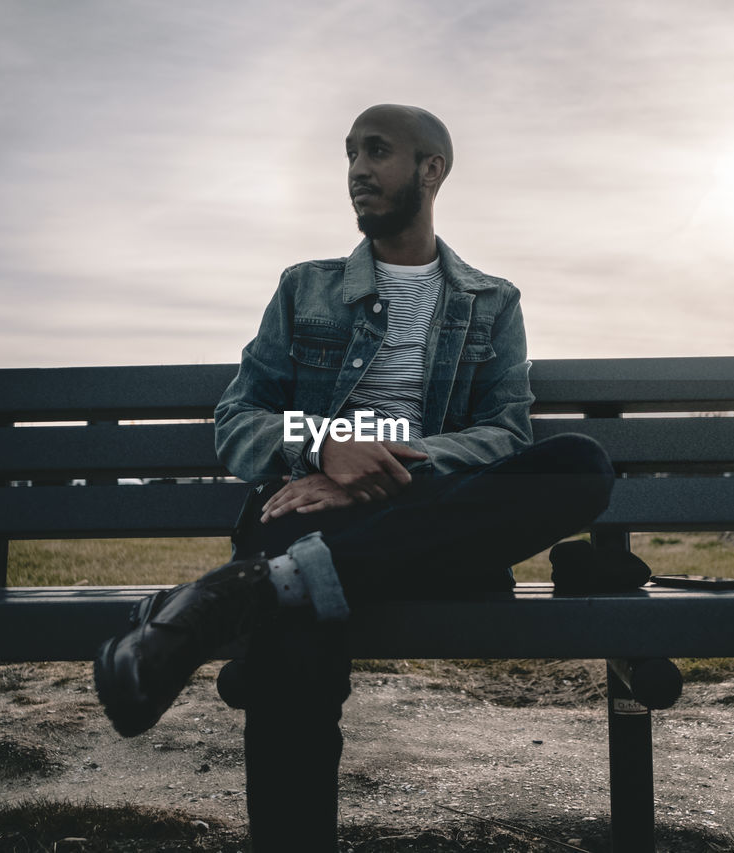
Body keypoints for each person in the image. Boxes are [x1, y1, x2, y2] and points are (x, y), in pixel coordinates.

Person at [94, 104, 637, 851]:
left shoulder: (492, 300)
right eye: (349, 152)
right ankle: (275, 588)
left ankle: (248, 592)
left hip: (426, 518)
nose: (356, 169)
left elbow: (506, 434)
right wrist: (324, 447)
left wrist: (382, 469)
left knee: (579, 464)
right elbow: (236, 421)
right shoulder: (304, 289)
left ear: (432, 169)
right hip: (312, 512)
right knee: (300, 622)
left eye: (377, 151)